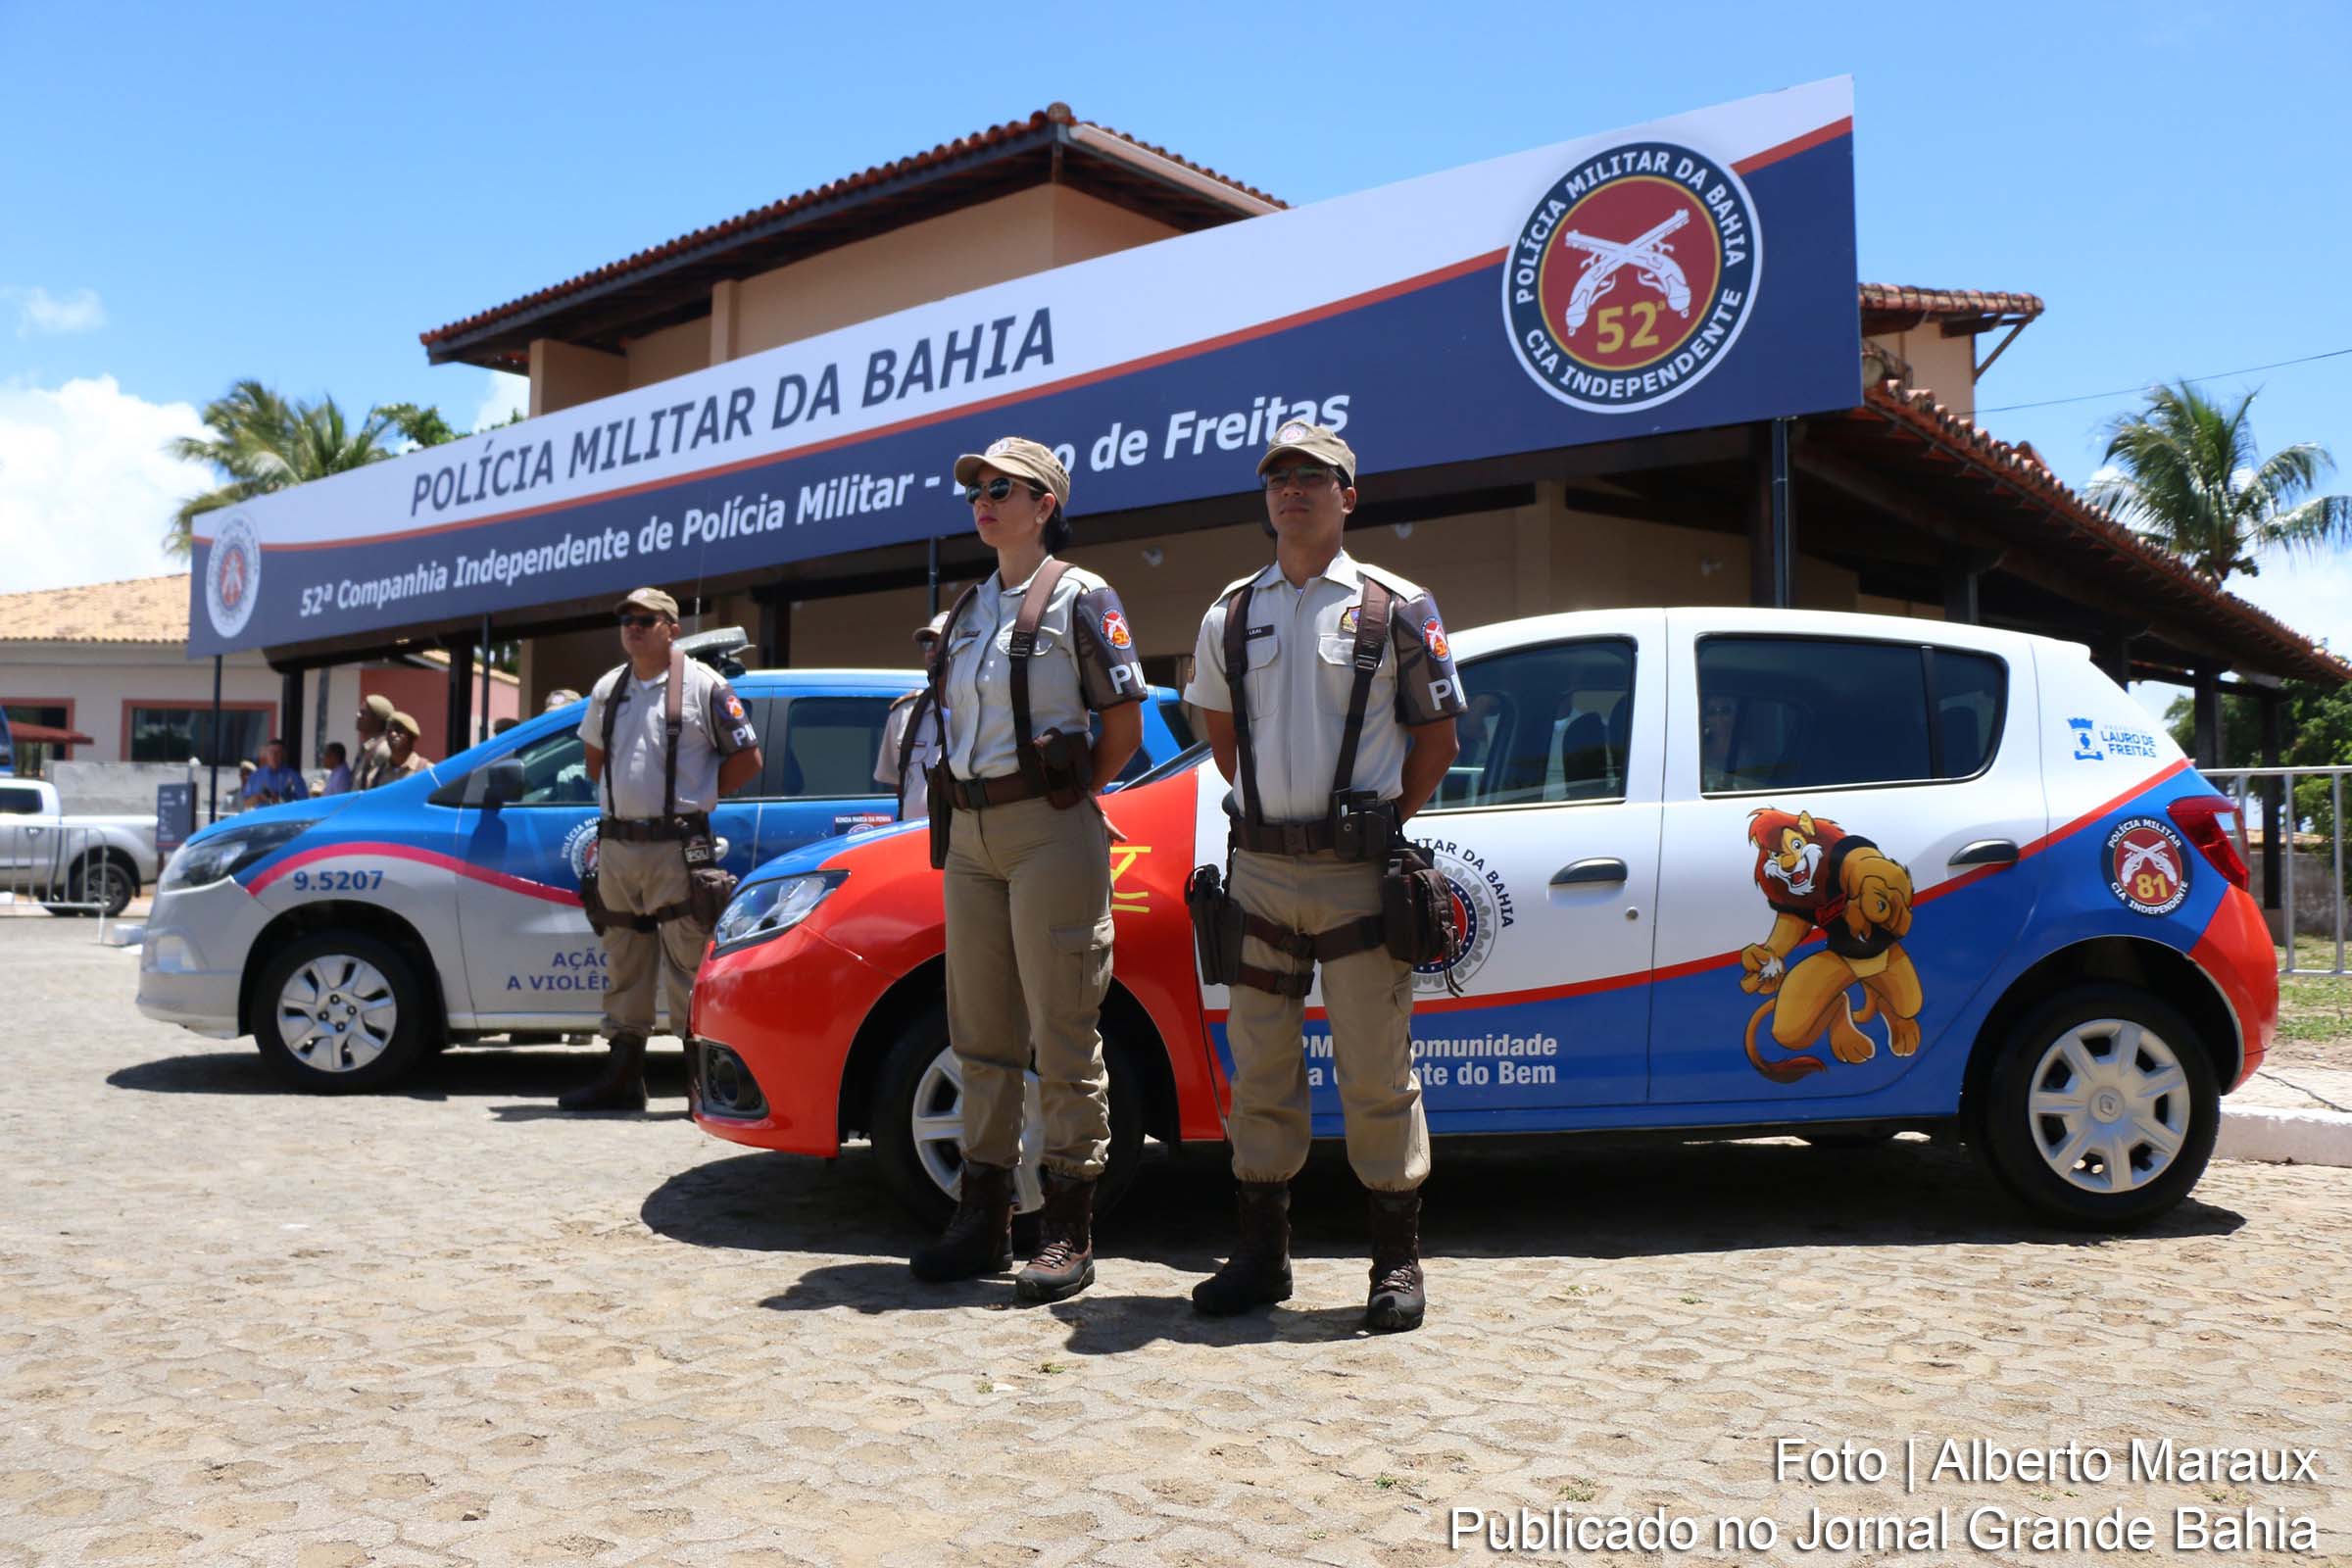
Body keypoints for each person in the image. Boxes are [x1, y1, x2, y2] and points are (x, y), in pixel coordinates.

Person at [1182, 421, 1465, 1333]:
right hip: (1260, 871)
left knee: (1376, 1068)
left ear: (1349, 496)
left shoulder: (1398, 607)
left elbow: (1437, 740)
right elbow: (1222, 739)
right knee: (1261, 1067)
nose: (1293, 490)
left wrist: (1378, 824)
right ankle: (1262, 1258)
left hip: (1357, 874)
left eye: (1313, 477)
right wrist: (1281, 818)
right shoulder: (1230, 613)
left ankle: (1395, 1262)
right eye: (1279, 477)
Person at [909, 436, 1147, 1303]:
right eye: (975, 488)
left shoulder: (1083, 598)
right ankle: (982, 1218)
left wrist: (1069, 796)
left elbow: (1123, 725)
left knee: (1064, 1028)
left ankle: (1067, 1228)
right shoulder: (969, 606)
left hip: (1048, 827)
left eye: (1003, 488)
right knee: (979, 1033)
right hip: (969, 833)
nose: (983, 499)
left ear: (1046, 504)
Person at [560, 589, 762, 1112]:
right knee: (623, 961)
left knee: (688, 962)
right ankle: (623, 1076)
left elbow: (748, 759)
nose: (633, 627)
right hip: (618, 844)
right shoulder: (608, 687)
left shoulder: (704, 685)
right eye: (627, 619)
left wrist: (698, 795)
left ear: (672, 628)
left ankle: (701, 1084)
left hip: (678, 846)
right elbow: (595, 761)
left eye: (645, 620)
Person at [874, 612, 950, 820]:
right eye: (928, 644)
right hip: (915, 835)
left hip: (964, 837)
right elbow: (898, 783)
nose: (932, 651)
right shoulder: (905, 713)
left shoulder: (981, 709)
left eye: (941, 643)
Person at [240, 739, 309, 807]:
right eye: (271, 752)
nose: (274, 756)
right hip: (262, 813)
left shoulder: (294, 777)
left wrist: (283, 798)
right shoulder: (255, 777)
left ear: (283, 755)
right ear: (266, 754)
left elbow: (305, 803)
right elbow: (245, 804)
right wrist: (259, 798)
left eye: (278, 752)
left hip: (285, 813)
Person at [351, 695, 395, 791]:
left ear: (377, 719)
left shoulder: (383, 749)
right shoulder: (367, 747)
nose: (358, 715)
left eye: (363, 713)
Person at [382, 712, 432, 781]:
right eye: (389, 731)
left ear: (411, 737)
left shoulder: (428, 771)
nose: (393, 734)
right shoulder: (377, 774)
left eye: (398, 730)